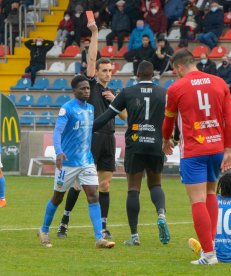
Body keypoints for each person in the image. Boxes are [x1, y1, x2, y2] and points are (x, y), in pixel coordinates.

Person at [162, 49, 231, 265]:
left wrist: (166, 139)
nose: (175, 74)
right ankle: (210, 244)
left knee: (197, 200)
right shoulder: (219, 82)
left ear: (180, 67)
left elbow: (168, 121)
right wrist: (228, 148)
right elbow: (229, 119)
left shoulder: (176, 88)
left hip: (194, 150)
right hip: (216, 148)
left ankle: (209, 254)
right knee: (211, 193)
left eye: (174, 70)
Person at [56, 22, 126, 239]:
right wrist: (95, 33)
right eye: (104, 70)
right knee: (78, 184)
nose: (107, 73)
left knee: (105, 185)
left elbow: (125, 116)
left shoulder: (114, 92)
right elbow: (93, 58)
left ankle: (103, 226)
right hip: (90, 139)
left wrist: (115, 101)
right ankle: (64, 221)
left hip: (109, 138)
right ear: (97, 72)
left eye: (110, 71)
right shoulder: (93, 87)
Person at [93, 60, 170, 246]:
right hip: (156, 144)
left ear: (136, 74)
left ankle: (134, 236)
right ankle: (161, 213)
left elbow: (106, 117)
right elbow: (173, 118)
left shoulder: (128, 92)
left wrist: (89, 128)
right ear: (153, 75)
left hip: (135, 145)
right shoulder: (164, 93)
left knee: (133, 189)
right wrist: (172, 138)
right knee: (155, 184)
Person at [37, 75, 116, 249]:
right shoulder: (67, 109)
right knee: (58, 197)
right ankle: (43, 230)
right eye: (82, 88)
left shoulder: (90, 109)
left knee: (93, 195)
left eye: (88, 88)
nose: (86, 91)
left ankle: (99, 238)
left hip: (86, 161)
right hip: (67, 162)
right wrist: (59, 152)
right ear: (74, 91)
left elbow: (92, 127)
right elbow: (57, 132)